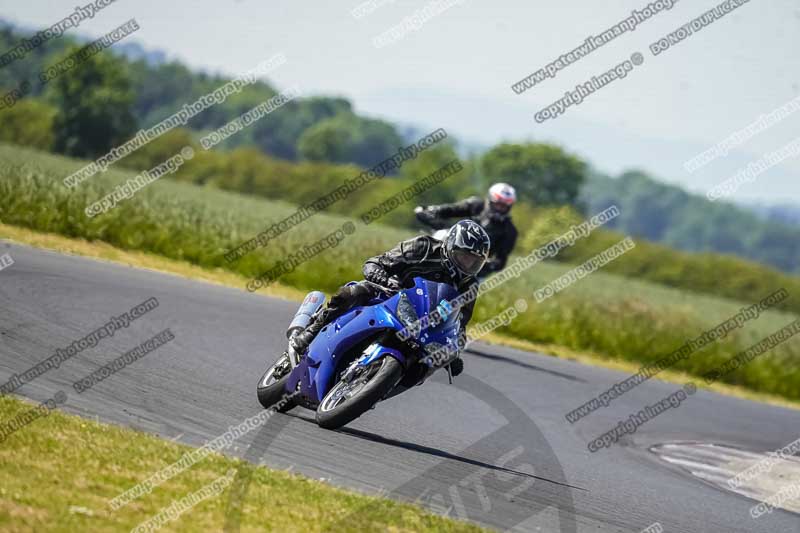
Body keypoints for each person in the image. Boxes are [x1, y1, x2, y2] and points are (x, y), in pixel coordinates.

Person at [289, 220, 491, 376]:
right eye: (464, 256)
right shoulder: (423, 247)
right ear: (450, 245)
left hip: (422, 322)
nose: (467, 264)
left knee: (429, 362)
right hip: (389, 294)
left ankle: (382, 385)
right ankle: (311, 331)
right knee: (354, 292)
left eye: (474, 262)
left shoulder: (469, 285)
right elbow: (374, 263)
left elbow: (459, 323)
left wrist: (454, 351)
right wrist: (382, 276)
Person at [415, 183, 518, 277]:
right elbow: (449, 210)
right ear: (490, 200)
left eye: (504, 207)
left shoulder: (510, 231)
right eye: (498, 204)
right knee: (439, 236)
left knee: (465, 292)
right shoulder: (475, 205)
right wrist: (431, 212)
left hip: (473, 269)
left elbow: (500, 262)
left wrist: (482, 262)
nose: (500, 209)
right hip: (450, 249)